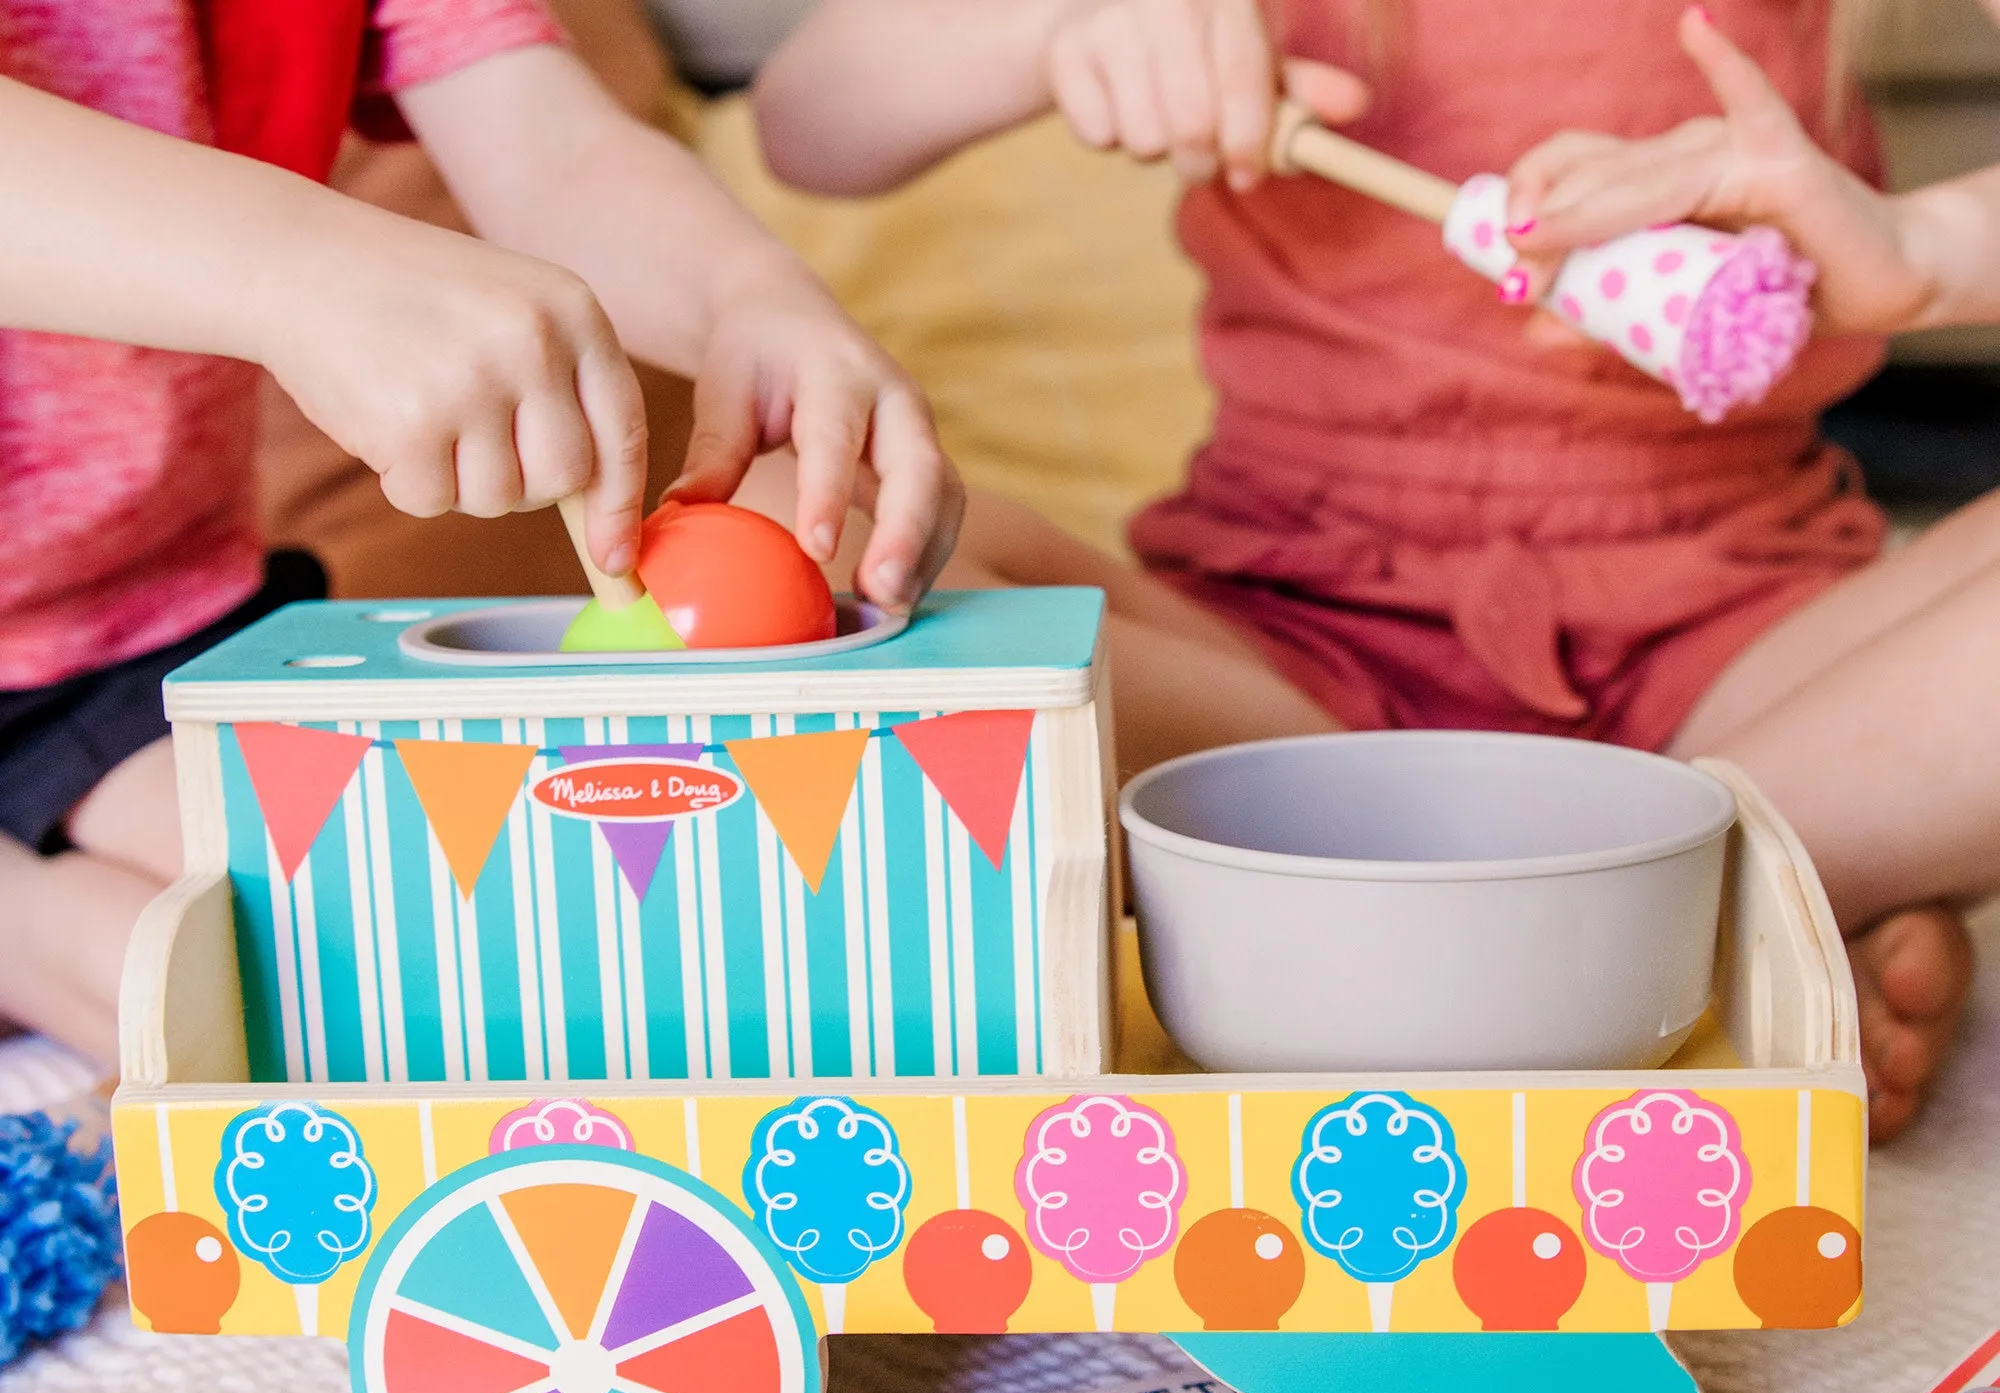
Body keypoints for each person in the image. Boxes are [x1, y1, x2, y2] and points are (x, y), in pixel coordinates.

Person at [754, 0, 1972, 1140]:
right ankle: (1727, 914)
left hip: (1743, 662)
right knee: (792, 524)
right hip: (1296, 672)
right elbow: (804, 116)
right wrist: (1059, 25)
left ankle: (1660, 882)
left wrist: (1923, 245)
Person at [0, 0, 961, 1069]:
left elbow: (547, 148)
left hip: (123, 631)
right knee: (156, 977)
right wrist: (301, 266)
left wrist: (749, 295)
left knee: (379, 963)